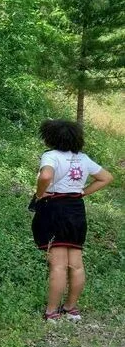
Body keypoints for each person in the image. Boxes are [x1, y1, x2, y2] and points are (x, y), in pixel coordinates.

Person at [33, 119, 113, 323]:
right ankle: (71, 309)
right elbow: (106, 177)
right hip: (76, 209)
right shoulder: (83, 159)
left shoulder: (50, 156)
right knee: (76, 264)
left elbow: (45, 176)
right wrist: (82, 193)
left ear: (51, 137)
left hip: (55, 208)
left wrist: (40, 193)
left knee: (58, 265)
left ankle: (52, 312)